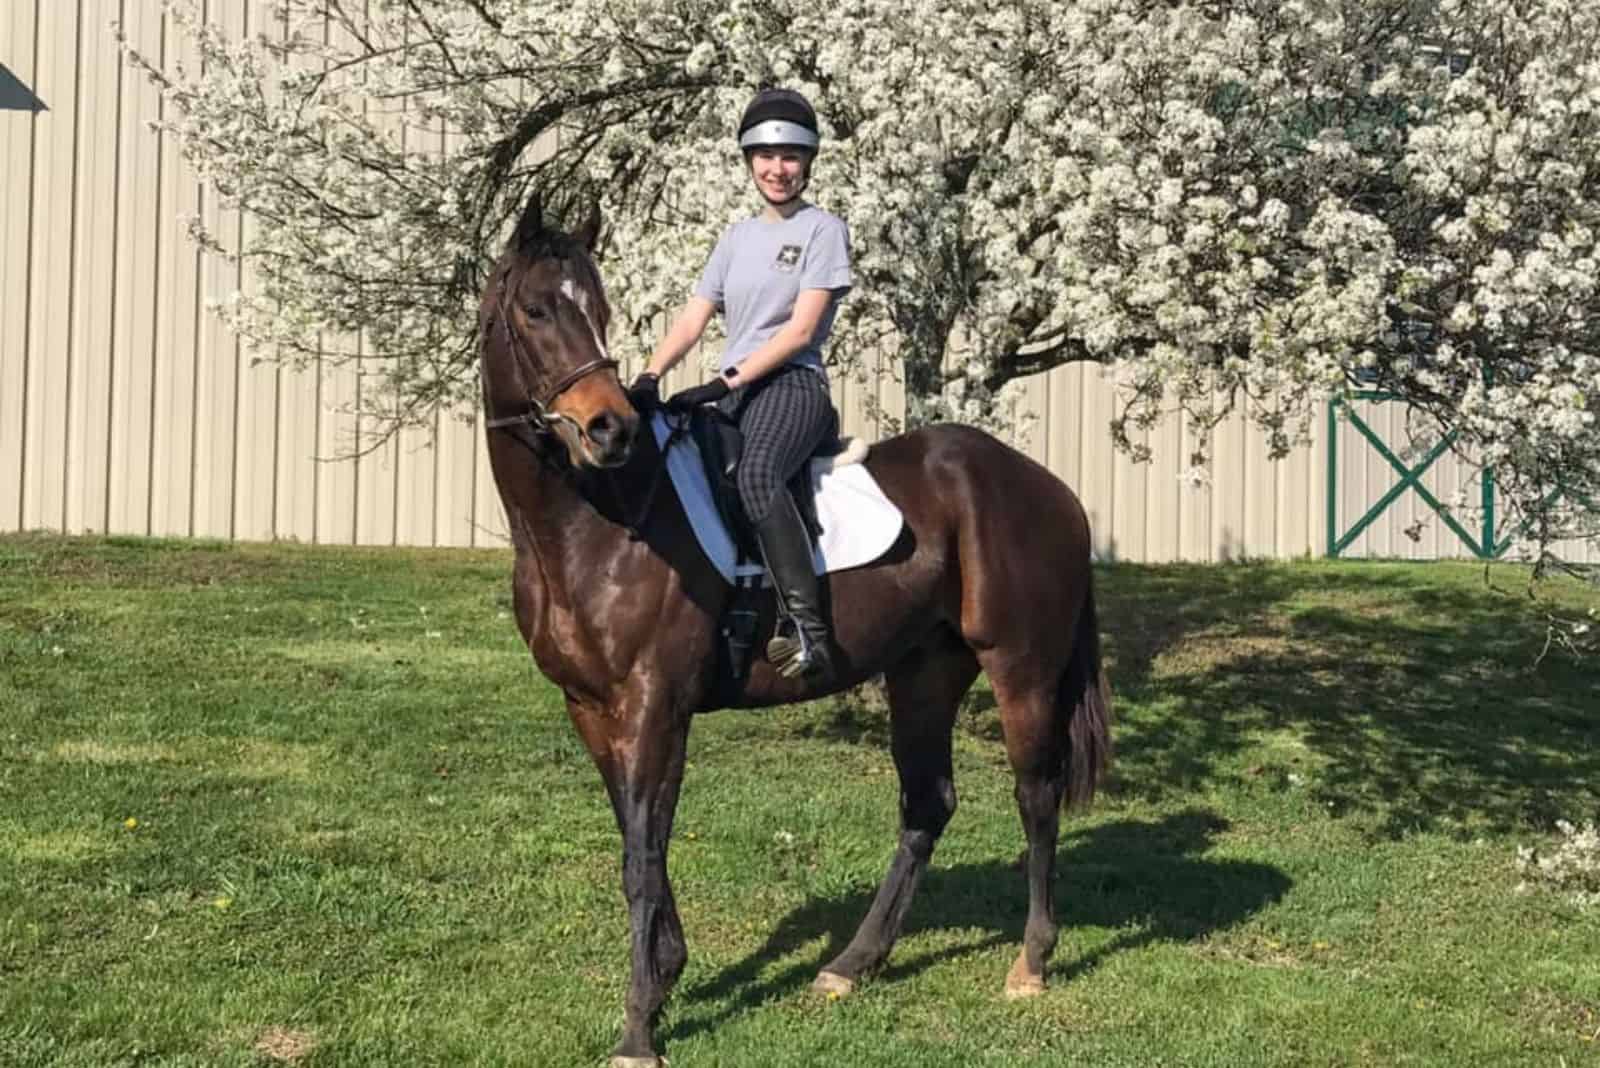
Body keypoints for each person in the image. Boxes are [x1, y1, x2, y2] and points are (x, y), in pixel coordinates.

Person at [628, 87, 851, 684]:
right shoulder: (735, 239)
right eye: (766, 156)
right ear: (749, 160)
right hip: (736, 393)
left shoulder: (822, 231)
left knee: (756, 474)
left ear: (808, 162)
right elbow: (695, 316)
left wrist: (722, 379)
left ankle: (810, 631)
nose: (778, 169)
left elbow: (802, 331)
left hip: (791, 386)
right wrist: (651, 374)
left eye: (791, 157)